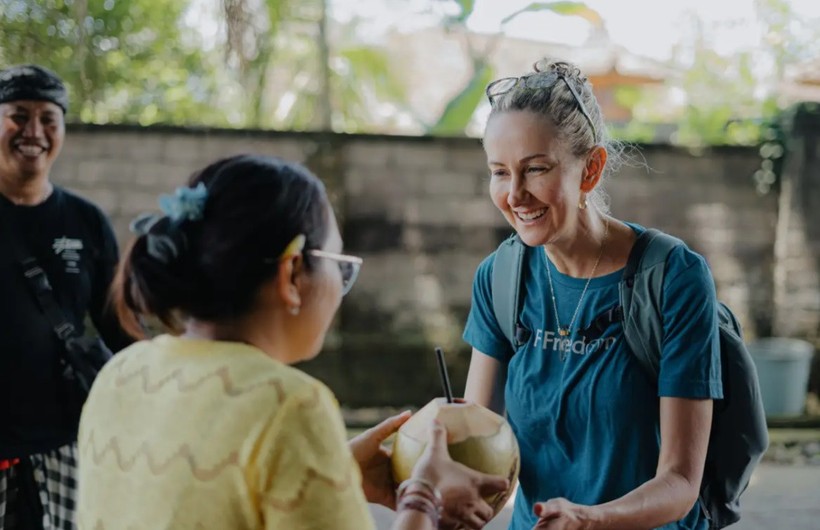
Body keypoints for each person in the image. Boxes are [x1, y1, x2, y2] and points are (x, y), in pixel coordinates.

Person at [75, 154, 509, 530]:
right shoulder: (288, 406)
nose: (341, 288)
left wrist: (332, 472)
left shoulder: (121, 373)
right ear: (292, 273)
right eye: (338, 266)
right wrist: (423, 497)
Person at [462, 59, 722, 530]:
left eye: (535, 169)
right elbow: (479, 448)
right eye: (499, 172)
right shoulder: (499, 278)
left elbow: (682, 481)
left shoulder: (673, 277)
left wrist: (590, 520)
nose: (515, 194)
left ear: (591, 169)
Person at [0, 64, 131, 529]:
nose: (33, 131)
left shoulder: (86, 220)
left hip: (61, 441)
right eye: (18, 115)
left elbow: (119, 322)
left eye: (48, 119)